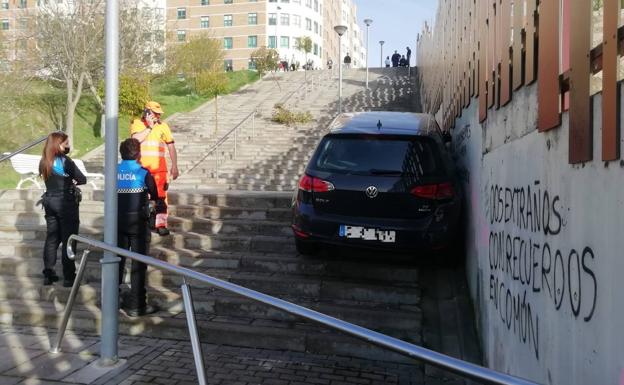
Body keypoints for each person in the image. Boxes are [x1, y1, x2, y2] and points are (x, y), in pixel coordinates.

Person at [117, 138, 159, 317]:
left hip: (117, 222)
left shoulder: (114, 171)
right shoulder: (143, 172)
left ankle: (113, 298)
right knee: (138, 263)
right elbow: (155, 195)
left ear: (121, 153)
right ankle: (137, 304)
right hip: (138, 224)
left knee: (116, 261)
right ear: (138, 154)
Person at [38, 131, 86, 286]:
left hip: (49, 201)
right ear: (58, 144)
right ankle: (69, 277)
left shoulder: (44, 161)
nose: (68, 146)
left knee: (52, 238)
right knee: (69, 239)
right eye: (66, 143)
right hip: (65, 203)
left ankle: (48, 273)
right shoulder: (65, 161)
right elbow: (82, 179)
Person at [130, 101, 179, 236]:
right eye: (155, 113)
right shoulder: (137, 123)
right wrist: (149, 127)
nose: (158, 116)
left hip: (160, 170)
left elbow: (171, 146)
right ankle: (143, 223)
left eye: (159, 114)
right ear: (147, 112)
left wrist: (174, 166)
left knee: (161, 199)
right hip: (141, 169)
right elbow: (135, 139)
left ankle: (161, 224)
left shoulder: (163, 126)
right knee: (140, 198)